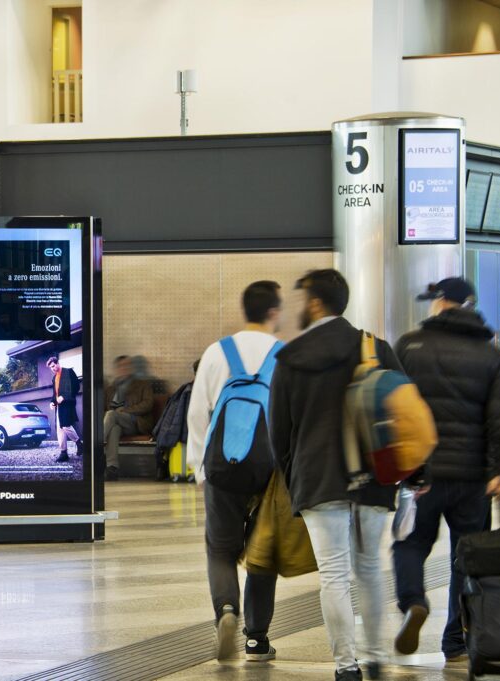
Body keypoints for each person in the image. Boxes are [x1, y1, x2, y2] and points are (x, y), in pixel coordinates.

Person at [269, 269, 401, 681]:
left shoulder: (291, 357)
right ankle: (378, 656)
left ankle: (347, 667)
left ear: (314, 303)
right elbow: (403, 409)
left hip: (318, 475)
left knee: (334, 575)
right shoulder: (376, 348)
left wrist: (296, 478)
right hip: (374, 475)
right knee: (369, 568)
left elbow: (280, 432)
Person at [390, 277, 500, 664]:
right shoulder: (491, 354)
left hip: (419, 473)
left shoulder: (409, 346)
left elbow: (392, 407)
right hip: (472, 476)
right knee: (468, 556)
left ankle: (414, 602)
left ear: (444, 303)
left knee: (409, 543)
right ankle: (457, 641)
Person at [186, 280, 282, 662]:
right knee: (262, 552)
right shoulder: (284, 355)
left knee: (220, 548)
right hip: (268, 467)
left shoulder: (217, 351)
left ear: (245, 310)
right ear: (274, 312)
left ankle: (226, 609)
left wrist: (199, 469)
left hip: (222, 465)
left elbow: (197, 413)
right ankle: (257, 639)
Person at [102, 355, 154, 481]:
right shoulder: (110, 389)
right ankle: (112, 468)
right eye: (121, 366)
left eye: (127, 365)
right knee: (114, 428)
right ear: (116, 369)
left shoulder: (143, 384)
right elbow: (102, 408)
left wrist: (125, 410)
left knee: (111, 414)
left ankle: (96, 445)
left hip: (135, 422)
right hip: (115, 423)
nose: (125, 368)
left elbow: (148, 404)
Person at [47, 356, 82, 463]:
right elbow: (55, 394)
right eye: (51, 368)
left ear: (57, 363)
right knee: (59, 428)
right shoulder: (54, 378)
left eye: (53, 366)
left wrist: (65, 397)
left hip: (68, 404)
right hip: (59, 406)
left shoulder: (69, 372)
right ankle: (64, 453)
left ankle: (79, 443)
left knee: (66, 425)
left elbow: (76, 387)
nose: (52, 369)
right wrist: (52, 402)